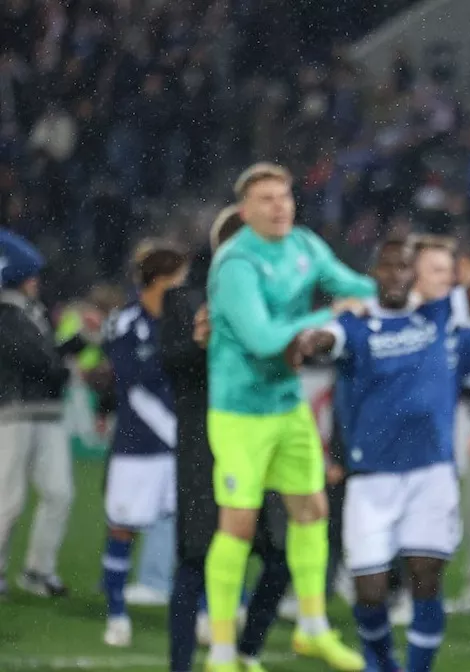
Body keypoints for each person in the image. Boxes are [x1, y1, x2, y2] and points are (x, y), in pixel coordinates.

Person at [291, 237, 470, 672]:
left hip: (431, 472)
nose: (396, 276)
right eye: (387, 268)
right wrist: (313, 339)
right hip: (371, 478)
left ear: (415, 276)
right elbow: (327, 338)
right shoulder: (356, 324)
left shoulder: (438, 315)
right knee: (369, 592)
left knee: (426, 576)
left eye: (404, 268)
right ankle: (383, 663)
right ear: (374, 276)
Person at [203, 163, 373, 671]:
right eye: (266, 199)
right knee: (237, 523)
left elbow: (355, 285)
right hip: (240, 413)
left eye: (284, 197)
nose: (279, 207)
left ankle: (313, 628)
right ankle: (221, 651)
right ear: (244, 211)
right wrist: (331, 314)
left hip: (286, 404)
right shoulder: (236, 264)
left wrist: (370, 295)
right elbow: (262, 338)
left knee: (313, 510)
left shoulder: (303, 246)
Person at [163, 206, 293, 672]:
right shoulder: (183, 300)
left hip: (262, 445)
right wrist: (200, 345)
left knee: (280, 557)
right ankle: (181, 666)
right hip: (206, 447)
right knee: (196, 560)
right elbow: (171, 365)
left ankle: (246, 651)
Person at [99, 242, 188, 648]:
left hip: (178, 447)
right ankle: (117, 614)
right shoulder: (126, 322)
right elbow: (131, 388)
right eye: (179, 281)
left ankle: (201, 613)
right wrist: (176, 432)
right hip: (138, 447)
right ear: (160, 281)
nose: (185, 289)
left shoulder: (183, 321)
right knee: (122, 529)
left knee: (192, 532)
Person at [0, 228, 79, 599]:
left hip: (45, 410)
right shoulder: (7, 312)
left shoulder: (31, 311)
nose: (38, 280)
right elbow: (32, 358)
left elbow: (41, 357)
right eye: (33, 275)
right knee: (7, 499)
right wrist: (61, 363)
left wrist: (72, 346)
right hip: (14, 411)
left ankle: (38, 570)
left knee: (59, 493)